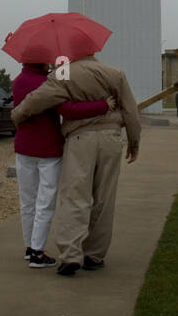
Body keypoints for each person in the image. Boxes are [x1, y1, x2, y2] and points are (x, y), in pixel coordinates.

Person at [12, 52, 141, 276]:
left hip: (80, 139)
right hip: (111, 138)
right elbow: (130, 109)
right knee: (104, 198)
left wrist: (17, 114)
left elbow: (39, 98)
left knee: (75, 196)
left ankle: (71, 254)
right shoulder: (115, 74)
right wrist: (134, 140)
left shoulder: (64, 73)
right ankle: (95, 255)